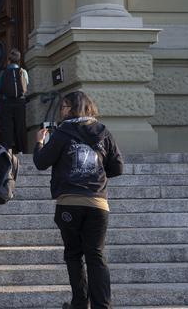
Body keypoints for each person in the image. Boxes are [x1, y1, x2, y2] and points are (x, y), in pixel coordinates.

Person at [33, 91, 124, 309]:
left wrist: (39, 143)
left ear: (73, 108)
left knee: (74, 254)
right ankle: (102, 305)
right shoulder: (103, 131)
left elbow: (41, 162)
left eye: (64, 107)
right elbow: (117, 167)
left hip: (69, 203)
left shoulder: (63, 132)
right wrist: (96, 176)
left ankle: (80, 303)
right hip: (97, 204)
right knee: (96, 255)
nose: (61, 111)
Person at [0, 48, 29, 153]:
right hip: (20, 102)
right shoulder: (23, 72)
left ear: (9, 60)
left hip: (7, 102)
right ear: (19, 60)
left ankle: (7, 150)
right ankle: (21, 150)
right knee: (20, 125)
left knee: (7, 127)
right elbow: (26, 85)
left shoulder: (4, 72)